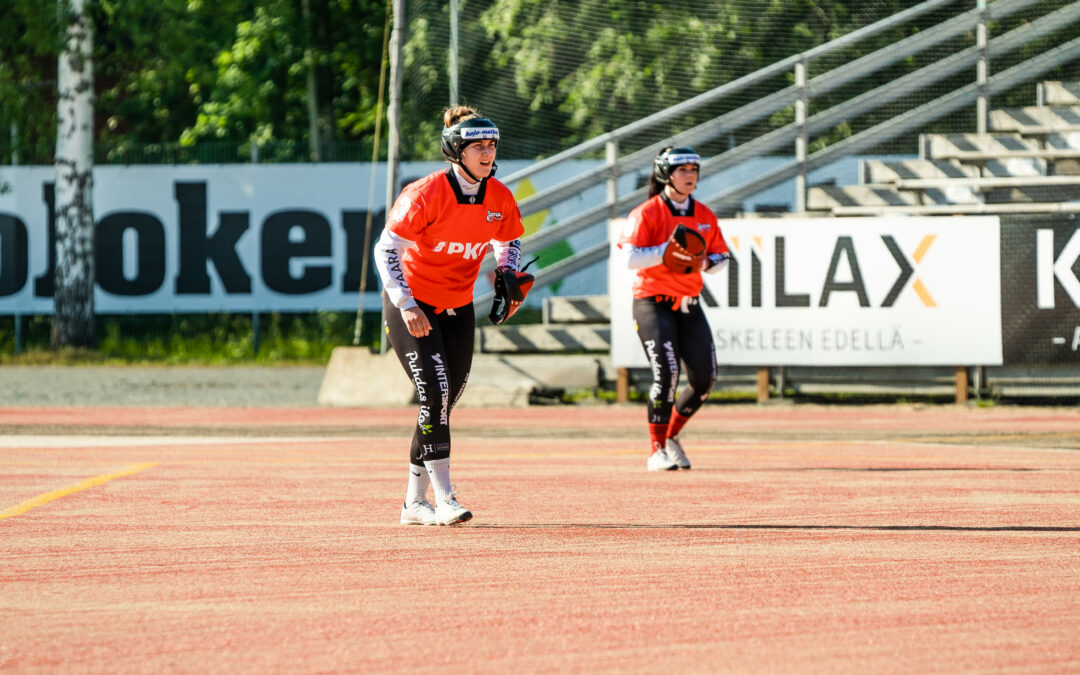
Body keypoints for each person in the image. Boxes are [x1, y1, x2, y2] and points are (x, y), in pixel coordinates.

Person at [374, 106, 526, 525]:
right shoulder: (424, 194)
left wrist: (508, 270)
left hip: (458, 306)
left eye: (492, 145)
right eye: (478, 146)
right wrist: (405, 304)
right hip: (414, 305)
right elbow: (386, 250)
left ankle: (412, 504)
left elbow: (509, 239)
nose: (487, 153)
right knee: (435, 397)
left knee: (442, 404)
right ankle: (444, 499)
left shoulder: (499, 195)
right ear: (456, 151)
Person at [618, 146, 730, 471]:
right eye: (683, 169)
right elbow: (629, 257)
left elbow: (721, 257)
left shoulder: (704, 214)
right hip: (652, 302)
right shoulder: (647, 212)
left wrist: (702, 262)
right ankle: (656, 450)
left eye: (694, 169)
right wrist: (667, 252)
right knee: (666, 373)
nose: (690, 175)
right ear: (666, 174)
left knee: (705, 379)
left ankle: (670, 436)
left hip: (689, 304)